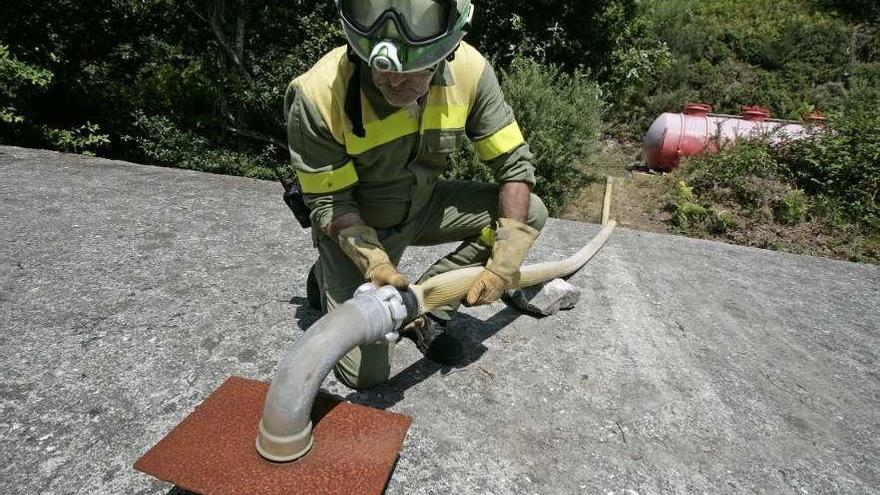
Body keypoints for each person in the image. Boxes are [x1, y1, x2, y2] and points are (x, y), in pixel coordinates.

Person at [284, 0, 548, 389]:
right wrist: (374, 262)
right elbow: (330, 201)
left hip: (424, 207)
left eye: (412, 72)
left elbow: (513, 165)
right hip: (355, 228)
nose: (394, 81)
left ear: (447, 52)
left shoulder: (471, 72)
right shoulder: (318, 95)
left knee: (530, 214)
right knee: (367, 377)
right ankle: (328, 273)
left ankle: (430, 312)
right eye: (383, 68)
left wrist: (507, 255)